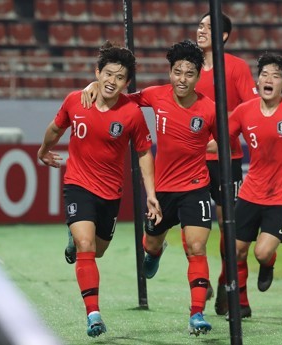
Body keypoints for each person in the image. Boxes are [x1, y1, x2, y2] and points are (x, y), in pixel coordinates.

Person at [81, 40, 217, 336]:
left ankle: (196, 314)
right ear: (170, 73)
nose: (183, 78)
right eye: (177, 72)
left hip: (196, 187)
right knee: (152, 244)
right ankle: (154, 252)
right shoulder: (156, 95)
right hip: (162, 191)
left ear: (198, 77)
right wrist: (94, 83)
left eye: (189, 73)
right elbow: (120, 95)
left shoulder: (209, 108)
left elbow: (228, 140)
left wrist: (208, 145)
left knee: (196, 247)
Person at [37, 41, 162, 338]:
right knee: (86, 246)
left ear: (127, 83)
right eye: (107, 74)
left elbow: (144, 152)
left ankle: (76, 238)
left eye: (120, 78)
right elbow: (56, 128)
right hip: (78, 183)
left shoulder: (131, 113)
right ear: (97, 72)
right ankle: (93, 314)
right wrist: (44, 151)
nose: (112, 82)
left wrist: (152, 194)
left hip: (110, 192)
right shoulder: (75, 101)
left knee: (99, 250)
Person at [208, 53, 282, 319]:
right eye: (264, 74)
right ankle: (242, 304)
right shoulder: (244, 111)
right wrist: (193, 146)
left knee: (261, 253)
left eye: (276, 76)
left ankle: (268, 263)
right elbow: (222, 140)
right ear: (257, 81)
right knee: (235, 249)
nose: (268, 79)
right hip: (250, 192)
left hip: (280, 197)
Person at [191, 11, 259, 315]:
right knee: (192, 225)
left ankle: (225, 284)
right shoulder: (187, 68)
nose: (201, 30)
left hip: (225, 159)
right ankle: (201, 281)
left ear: (223, 36)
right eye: (200, 25)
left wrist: (223, 135)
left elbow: (251, 109)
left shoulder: (236, 68)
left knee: (226, 227)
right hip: (190, 161)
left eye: (208, 27)